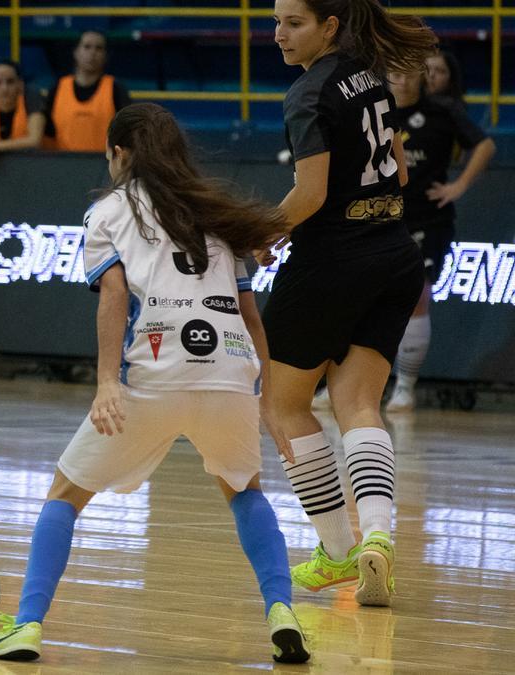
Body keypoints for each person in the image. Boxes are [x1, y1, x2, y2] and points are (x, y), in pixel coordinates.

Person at [0, 103, 307, 664]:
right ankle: (282, 609)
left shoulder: (108, 211)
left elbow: (112, 298)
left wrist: (107, 381)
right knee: (245, 491)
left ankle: (27, 625)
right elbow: (251, 315)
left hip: (152, 377)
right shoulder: (215, 210)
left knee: (64, 496)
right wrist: (268, 399)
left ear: (120, 154)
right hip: (229, 376)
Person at [266, 0, 436, 607]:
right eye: (277, 20)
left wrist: (261, 233)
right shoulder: (369, 73)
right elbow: (403, 178)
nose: (278, 33)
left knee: (282, 406)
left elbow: (308, 196)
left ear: (329, 26)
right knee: (359, 403)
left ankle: (338, 550)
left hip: (333, 260)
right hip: (394, 253)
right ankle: (380, 541)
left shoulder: (308, 94)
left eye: (293, 23)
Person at [385, 66, 494, 411]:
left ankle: (405, 386)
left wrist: (458, 186)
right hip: (382, 218)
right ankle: (353, 384)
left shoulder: (442, 111)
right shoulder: (376, 110)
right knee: (364, 301)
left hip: (428, 219)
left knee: (418, 294)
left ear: (421, 77)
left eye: (407, 74)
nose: (400, 80)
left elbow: (485, 145)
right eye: (393, 73)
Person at [43, 31, 132, 153]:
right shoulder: (57, 88)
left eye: (98, 48)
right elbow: (46, 132)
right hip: (62, 164)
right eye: (87, 47)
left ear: (105, 55)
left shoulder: (116, 89)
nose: (92, 53)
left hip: (104, 166)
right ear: (76, 52)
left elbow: (128, 133)